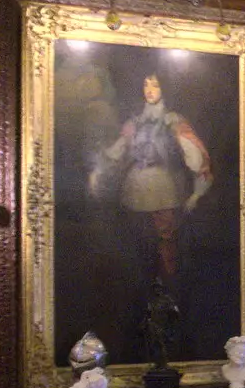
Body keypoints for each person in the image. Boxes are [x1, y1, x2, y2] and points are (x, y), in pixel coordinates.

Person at [89, 73, 212, 284]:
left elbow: (195, 156)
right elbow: (117, 151)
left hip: (164, 189)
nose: (150, 90)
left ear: (165, 88)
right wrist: (98, 170)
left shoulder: (173, 121)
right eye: (146, 84)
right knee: (139, 244)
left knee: (166, 244)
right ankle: (145, 290)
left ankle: (167, 291)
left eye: (155, 85)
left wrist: (197, 192)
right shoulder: (135, 123)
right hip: (134, 190)